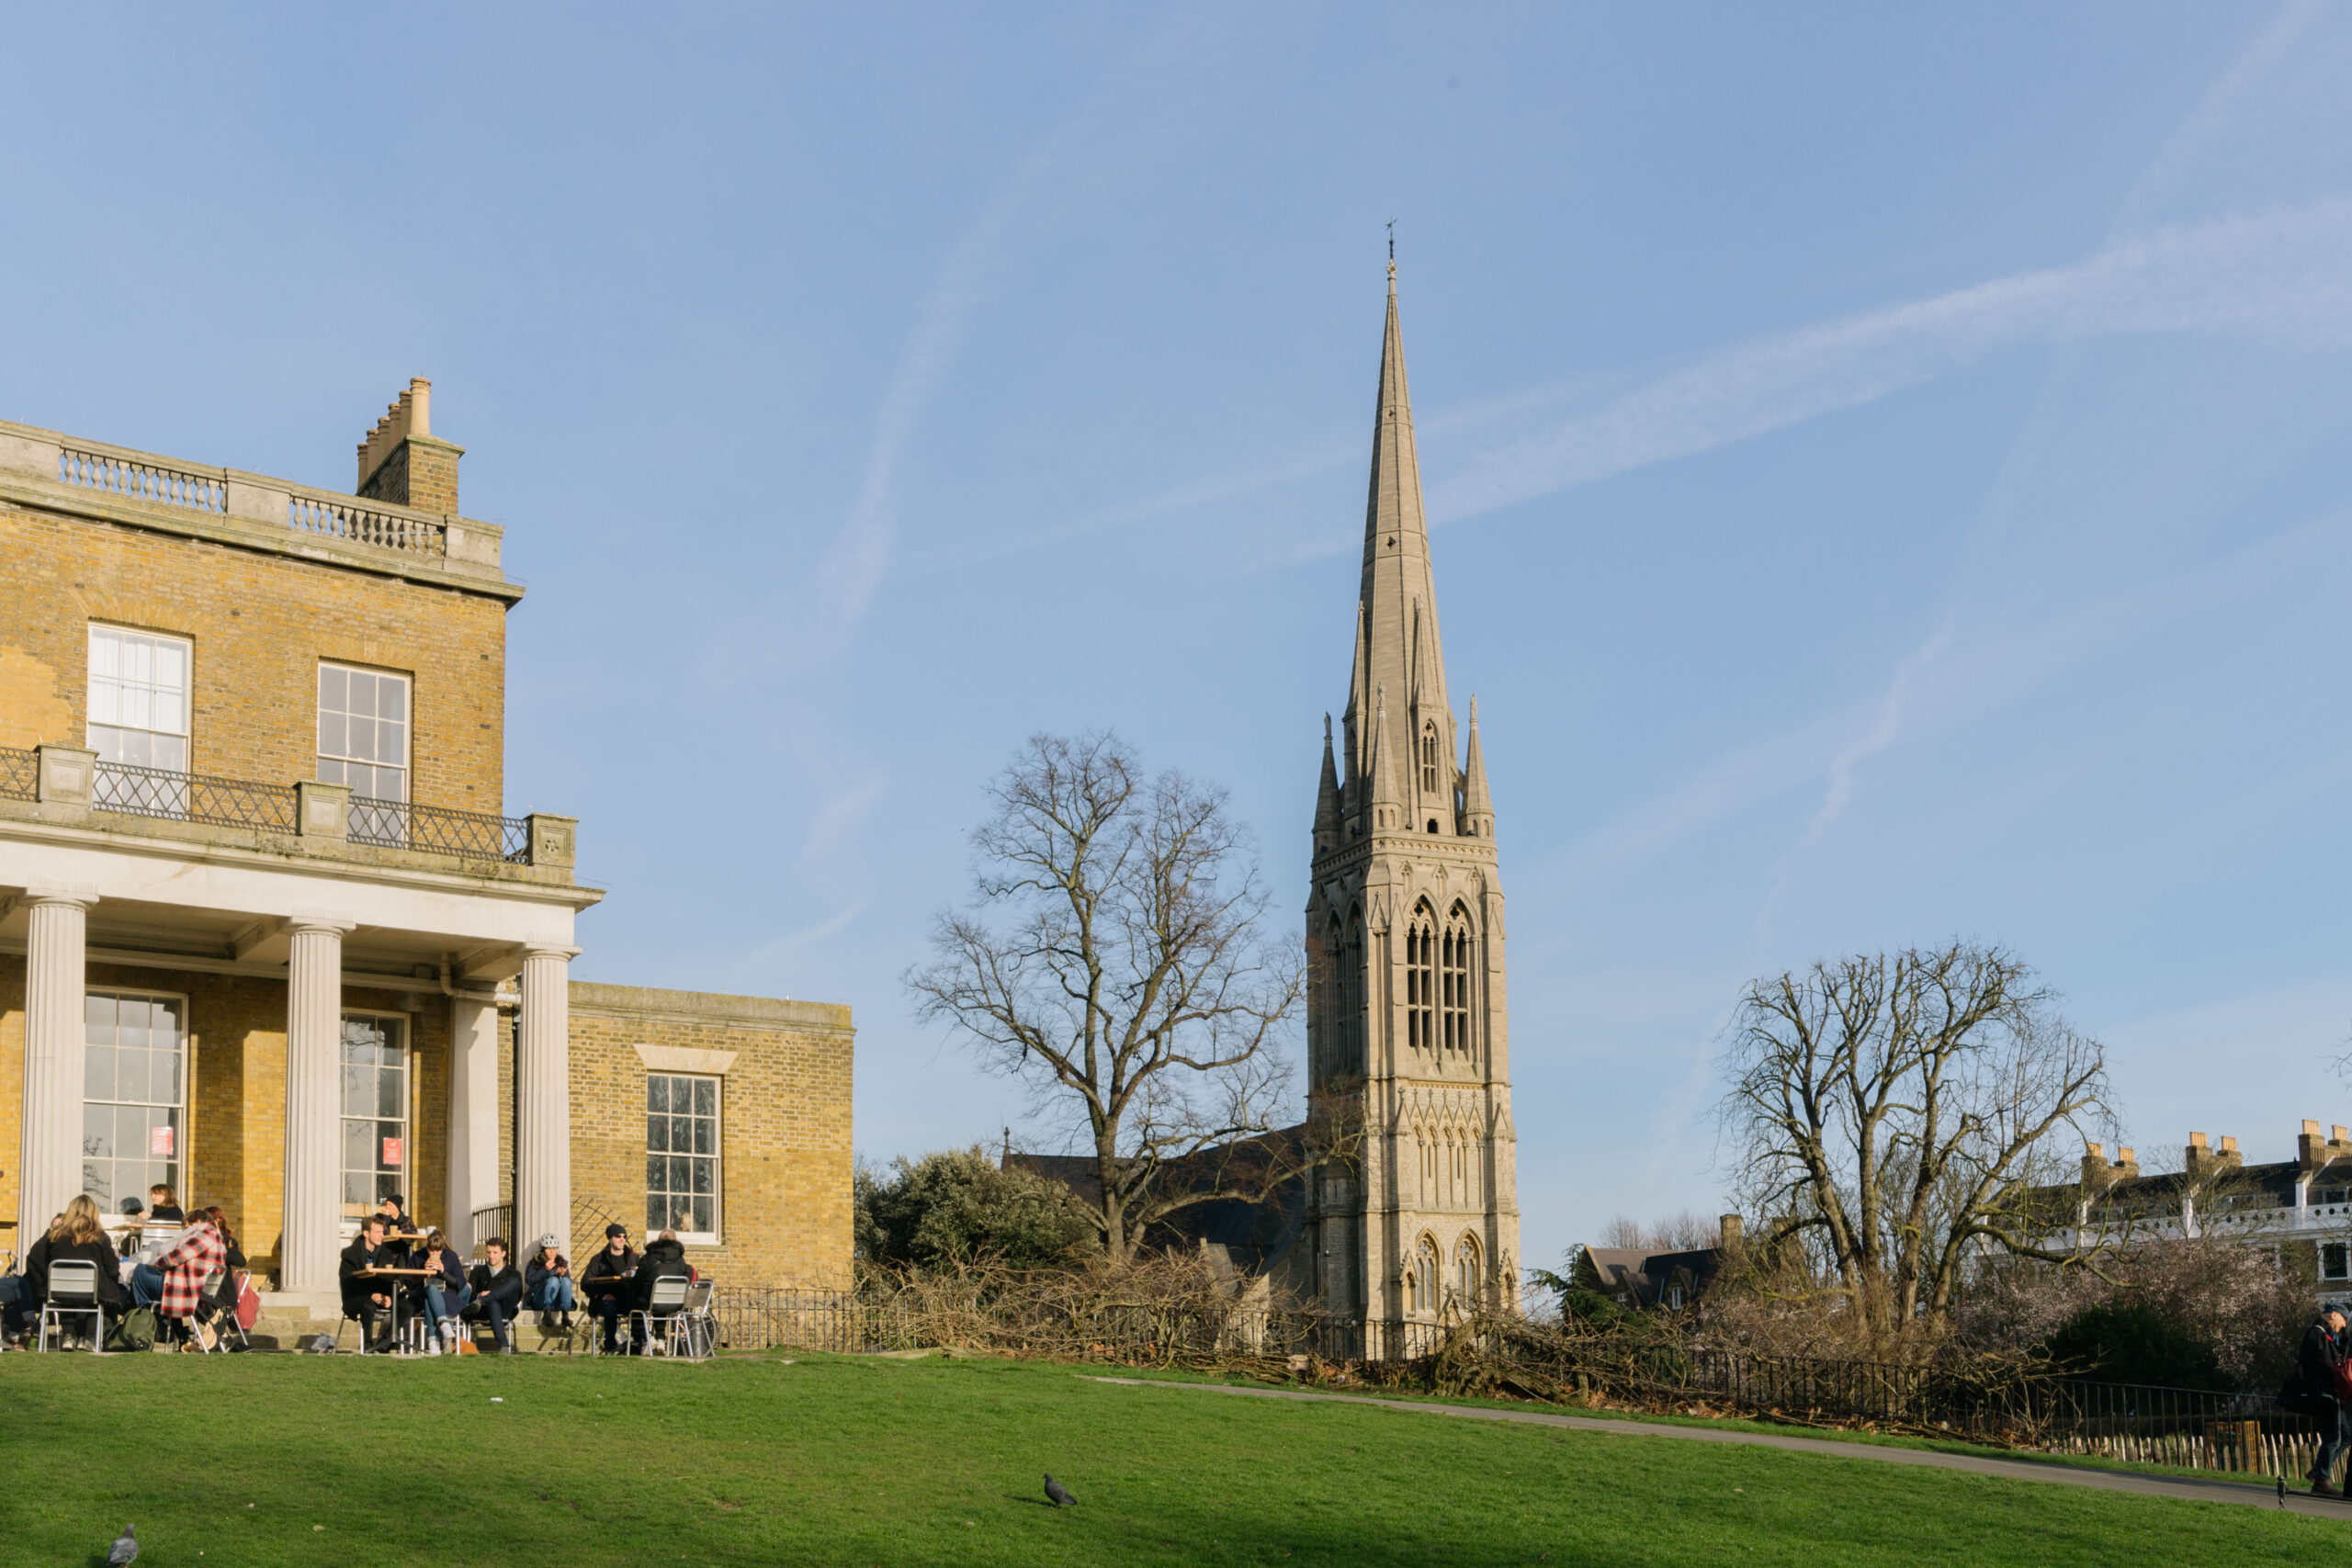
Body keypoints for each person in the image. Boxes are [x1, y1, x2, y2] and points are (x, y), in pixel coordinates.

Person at [25, 1195, 132, 1349]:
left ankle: (69, 1336)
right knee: (105, 1295)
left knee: (69, 1294)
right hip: (93, 1291)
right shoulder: (100, 1237)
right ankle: (89, 1337)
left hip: (59, 1291)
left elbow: (38, 1261)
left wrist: (44, 1281)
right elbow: (112, 1268)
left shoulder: (54, 1236)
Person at [150, 1212, 227, 1349]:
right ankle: (179, 1334)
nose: (185, 1231)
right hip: (198, 1287)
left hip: (189, 1287)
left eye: (186, 1226)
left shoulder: (204, 1234)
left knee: (140, 1274)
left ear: (197, 1221)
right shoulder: (216, 1236)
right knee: (145, 1280)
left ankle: (146, 1323)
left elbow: (177, 1256)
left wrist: (156, 1262)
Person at [2303, 1305, 2352, 1495]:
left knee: (2346, 1437)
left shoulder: (2328, 1335)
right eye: (2343, 1319)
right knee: (2333, 1438)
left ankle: (2319, 1471)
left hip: (2330, 1394)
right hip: (2323, 1394)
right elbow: (2320, 1364)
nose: (2344, 1324)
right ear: (2334, 1315)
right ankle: (2321, 1480)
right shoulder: (2317, 1334)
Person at [630, 1227, 694, 1353]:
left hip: (651, 1302)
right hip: (675, 1304)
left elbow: (637, 1282)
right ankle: (660, 1340)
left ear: (658, 1241)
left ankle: (645, 1338)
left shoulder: (648, 1258)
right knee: (660, 1301)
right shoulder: (681, 1261)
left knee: (635, 1301)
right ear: (675, 1241)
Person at [579, 1224, 639, 1354]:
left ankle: (639, 1343)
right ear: (610, 1238)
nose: (622, 1239)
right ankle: (610, 1346)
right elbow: (585, 1283)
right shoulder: (598, 1259)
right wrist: (601, 1294)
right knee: (609, 1308)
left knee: (639, 1306)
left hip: (626, 1299)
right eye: (618, 1236)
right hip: (604, 1301)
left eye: (624, 1236)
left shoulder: (633, 1258)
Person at [339, 1215, 396, 1353]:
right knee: (367, 1305)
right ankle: (368, 1345)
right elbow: (348, 1283)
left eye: (382, 1232)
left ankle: (385, 1342)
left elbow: (391, 1279)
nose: (381, 1236)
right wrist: (371, 1295)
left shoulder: (387, 1254)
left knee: (405, 1305)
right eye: (377, 1232)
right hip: (356, 1297)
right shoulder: (349, 1255)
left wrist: (389, 1296)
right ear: (366, 1233)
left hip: (381, 1297)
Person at [463, 1236, 524, 1353]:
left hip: (505, 1308)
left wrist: (489, 1296)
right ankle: (503, 1346)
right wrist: (479, 1295)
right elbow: (469, 1295)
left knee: (514, 1282)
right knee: (492, 1303)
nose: (491, 1256)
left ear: (503, 1253)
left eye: (495, 1252)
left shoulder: (514, 1274)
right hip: (482, 1310)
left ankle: (485, 1300)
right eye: (489, 1252)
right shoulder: (477, 1272)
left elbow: (517, 1296)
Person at [414, 1228, 470, 1354]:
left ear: (443, 1248)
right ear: (427, 1248)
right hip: (422, 1294)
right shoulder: (419, 1256)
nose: (434, 1253)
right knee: (430, 1290)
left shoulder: (451, 1256)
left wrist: (443, 1272)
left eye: (438, 1250)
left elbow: (460, 1283)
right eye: (431, 1250)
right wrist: (424, 1272)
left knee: (430, 1297)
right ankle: (444, 1325)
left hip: (447, 1295)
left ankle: (433, 1341)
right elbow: (409, 1282)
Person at [525, 1234, 575, 1328]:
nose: (552, 1252)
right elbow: (529, 1280)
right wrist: (545, 1270)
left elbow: (567, 1284)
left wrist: (563, 1274)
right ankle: (546, 1314)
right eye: (548, 1249)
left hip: (558, 1301)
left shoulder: (562, 1262)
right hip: (540, 1299)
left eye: (554, 1249)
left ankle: (565, 1314)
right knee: (553, 1280)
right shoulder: (534, 1262)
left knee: (566, 1281)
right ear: (543, 1250)